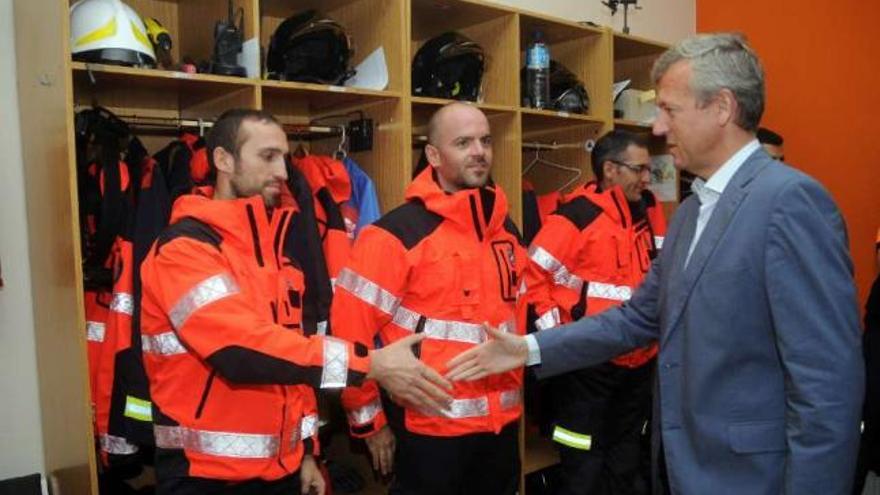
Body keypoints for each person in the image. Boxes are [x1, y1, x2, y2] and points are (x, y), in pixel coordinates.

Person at [448, 33, 864, 495]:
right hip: (681, 468)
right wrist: (527, 349)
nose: (660, 128)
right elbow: (639, 316)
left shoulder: (790, 201)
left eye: (670, 110)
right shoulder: (688, 213)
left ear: (722, 107)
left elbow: (826, 386)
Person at [139, 108, 452, 495]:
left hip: (283, 472)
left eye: (284, 158)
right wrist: (369, 364)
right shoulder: (184, 251)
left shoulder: (280, 259)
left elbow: (296, 366)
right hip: (204, 476)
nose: (284, 173)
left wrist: (307, 453)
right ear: (223, 160)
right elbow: (240, 350)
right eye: (267, 157)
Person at [332, 102, 527, 495]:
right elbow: (348, 332)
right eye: (463, 142)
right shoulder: (395, 234)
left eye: (485, 140)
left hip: (502, 428)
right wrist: (370, 423)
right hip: (428, 433)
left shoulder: (504, 229)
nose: (479, 151)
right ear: (434, 156)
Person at [525, 129, 666, 495]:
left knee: (625, 464)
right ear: (610, 170)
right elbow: (531, 278)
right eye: (639, 169)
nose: (647, 179)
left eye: (649, 169)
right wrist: (562, 339)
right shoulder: (575, 217)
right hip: (587, 371)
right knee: (582, 470)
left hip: (639, 364)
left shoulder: (650, 211)